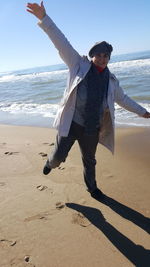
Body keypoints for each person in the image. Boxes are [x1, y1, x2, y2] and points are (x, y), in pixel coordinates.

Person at [26, 2, 150, 199]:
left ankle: (92, 188)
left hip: (92, 128)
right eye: (98, 55)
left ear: (109, 58)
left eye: (106, 56)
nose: (102, 58)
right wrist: (44, 18)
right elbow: (61, 42)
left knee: (90, 160)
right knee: (59, 157)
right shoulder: (77, 65)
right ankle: (50, 163)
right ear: (92, 56)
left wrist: (144, 112)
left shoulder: (111, 81)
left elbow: (124, 99)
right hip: (72, 123)